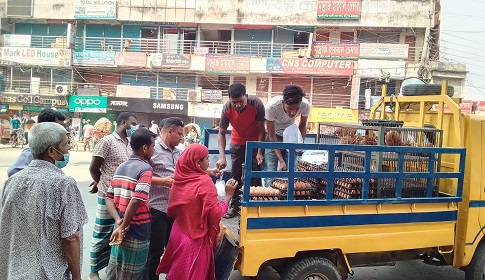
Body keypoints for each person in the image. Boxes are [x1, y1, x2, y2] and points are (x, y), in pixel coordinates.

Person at [0, 122, 88, 280]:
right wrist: (77, 276)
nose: (69, 148)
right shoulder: (63, 184)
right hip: (47, 273)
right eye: (66, 144)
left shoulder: (11, 182)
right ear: (51, 152)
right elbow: (70, 237)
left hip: (15, 270)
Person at [148, 117, 220, 280]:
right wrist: (162, 181)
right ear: (170, 131)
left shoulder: (179, 151)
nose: (182, 137)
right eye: (180, 133)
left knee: (174, 251)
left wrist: (209, 171)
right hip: (158, 207)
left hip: (177, 210)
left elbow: (189, 171)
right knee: (155, 253)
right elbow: (139, 175)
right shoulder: (153, 150)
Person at [156, 144, 237, 279]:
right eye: (206, 159)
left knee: (179, 272)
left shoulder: (180, 177)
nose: (209, 161)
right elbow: (215, 214)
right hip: (196, 239)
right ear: (197, 163)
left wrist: (209, 171)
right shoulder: (204, 183)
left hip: (179, 232)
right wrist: (228, 196)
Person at [88, 112, 138, 280]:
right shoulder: (107, 141)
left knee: (118, 231)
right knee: (102, 231)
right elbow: (94, 168)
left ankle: (110, 267)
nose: (135, 127)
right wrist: (99, 182)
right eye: (133, 123)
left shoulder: (131, 143)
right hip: (106, 194)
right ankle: (93, 270)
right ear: (124, 123)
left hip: (124, 196)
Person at [105, 128, 157, 279]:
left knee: (116, 267)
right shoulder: (145, 169)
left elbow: (108, 197)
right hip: (137, 229)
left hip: (120, 227)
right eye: (153, 146)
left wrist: (118, 222)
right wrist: (122, 226)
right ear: (145, 148)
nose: (154, 150)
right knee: (134, 272)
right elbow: (136, 200)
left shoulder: (122, 166)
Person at [216, 83, 265, 218]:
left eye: (241, 101)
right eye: (234, 102)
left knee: (254, 176)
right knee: (235, 176)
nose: (237, 105)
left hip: (255, 144)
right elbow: (221, 133)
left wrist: (259, 152)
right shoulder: (227, 108)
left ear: (247, 97)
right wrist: (222, 157)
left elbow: (262, 129)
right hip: (237, 142)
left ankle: (254, 207)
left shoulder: (257, 104)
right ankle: (235, 206)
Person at [7, 108, 66, 177]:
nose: (63, 130)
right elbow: (14, 170)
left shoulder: (52, 145)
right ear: (47, 127)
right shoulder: (35, 147)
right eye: (60, 126)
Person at [264, 84, 310, 172]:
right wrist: (281, 161)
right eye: (289, 108)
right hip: (274, 136)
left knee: (291, 170)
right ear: (283, 102)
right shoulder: (271, 107)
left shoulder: (305, 105)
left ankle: (289, 186)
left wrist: (298, 146)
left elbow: (303, 125)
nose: (293, 113)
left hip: (291, 136)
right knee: (270, 170)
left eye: (297, 109)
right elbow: (271, 136)